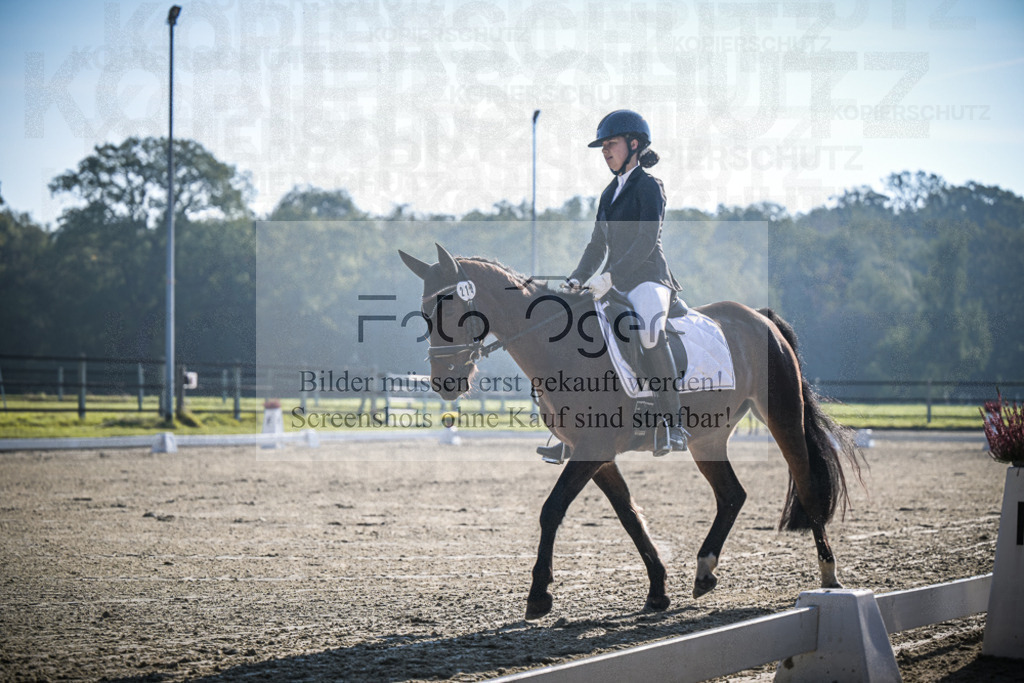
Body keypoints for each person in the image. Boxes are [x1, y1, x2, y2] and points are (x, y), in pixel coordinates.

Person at [538, 109, 687, 463]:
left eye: (611, 144)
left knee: (650, 331)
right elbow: (596, 246)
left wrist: (612, 277)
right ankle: (568, 431)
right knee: (580, 331)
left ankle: (673, 423)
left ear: (634, 145)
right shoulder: (608, 194)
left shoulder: (650, 186)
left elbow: (646, 239)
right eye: (603, 146)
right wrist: (577, 278)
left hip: (649, 278)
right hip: (612, 283)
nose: (605, 151)